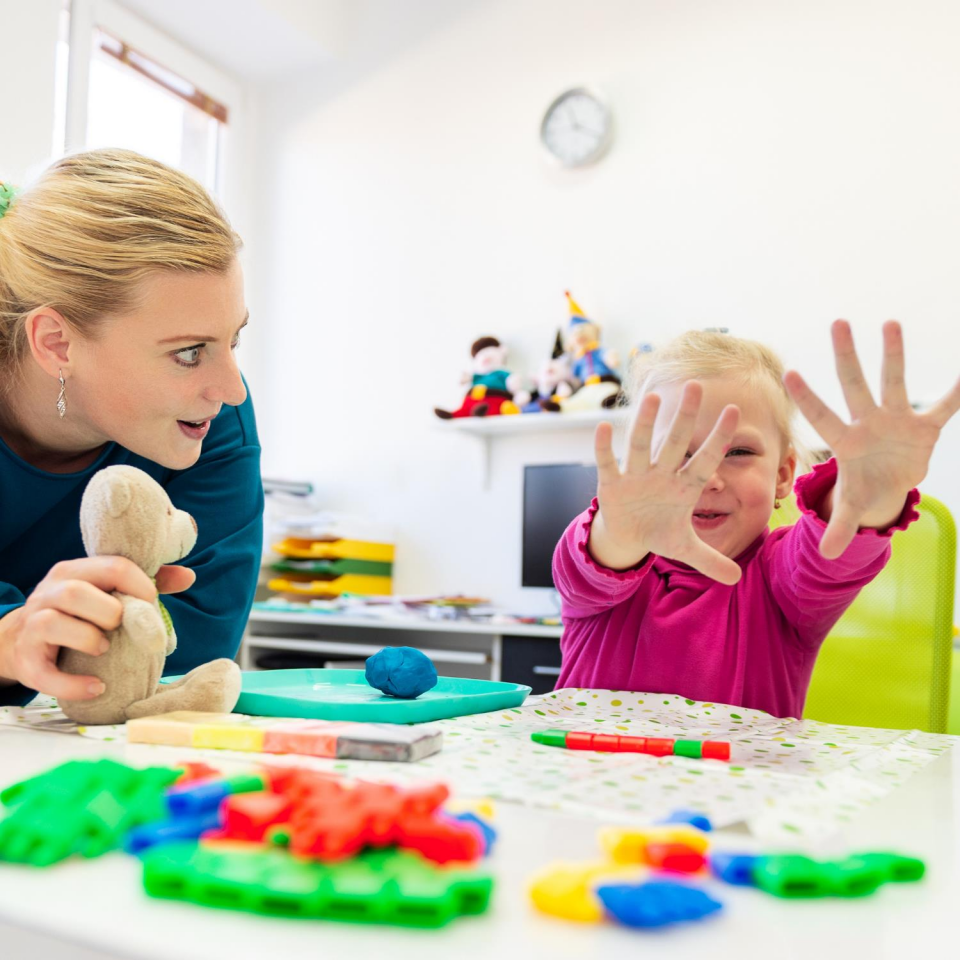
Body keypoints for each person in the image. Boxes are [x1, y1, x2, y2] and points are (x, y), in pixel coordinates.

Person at [553, 325, 960, 717]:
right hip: (591, 787)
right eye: (677, 454)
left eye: (738, 452)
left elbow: (833, 551)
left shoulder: (784, 580)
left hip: (739, 788)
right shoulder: (606, 566)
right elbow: (596, 561)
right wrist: (621, 531)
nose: (708, 479)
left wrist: (870, 490)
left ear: (783, 474)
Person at [0, 149, 263, 708]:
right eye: (189, 352)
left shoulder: (213, 424)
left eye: (232, 339)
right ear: (57, 344)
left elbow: (186, 665)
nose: (233, 391)